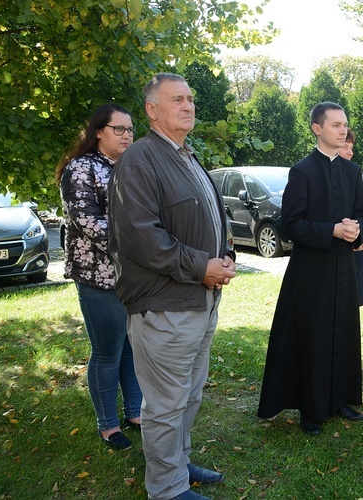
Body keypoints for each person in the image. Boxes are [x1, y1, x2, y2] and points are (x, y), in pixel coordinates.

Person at [108, 73, 236, 500]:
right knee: (164, 405)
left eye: (190, 99)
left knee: (188, 397)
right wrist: (203, 266)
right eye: (177, 99)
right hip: (164, 305)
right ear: (152, 110)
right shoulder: (140, 159)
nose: (188, 106)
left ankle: (177, 465)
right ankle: (166, 489)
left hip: (200, 301)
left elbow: (207, 220)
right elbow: (144, 238)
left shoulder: (186, 156)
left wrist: (226, 254)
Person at [257, 102, 363, 436]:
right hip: (311, 272)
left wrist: (358, 230)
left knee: (343, 331)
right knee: (313, 337)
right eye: (335, 125)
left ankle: (338, 400)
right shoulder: (302, 171)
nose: (342, 130)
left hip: (345, 269)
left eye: (345, 125)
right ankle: (310, 407)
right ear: (317, 129)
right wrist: (331, 230)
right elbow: (291, 225)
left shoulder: (353, 171)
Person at [55, 103, 142, 451]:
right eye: (118, 129)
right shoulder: (80, 169)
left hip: (133, 274)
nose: (126, 135)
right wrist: (141, 243)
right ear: (98, 132)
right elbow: (87, 222)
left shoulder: (132, 167)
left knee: (132, 348)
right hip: (98, 274)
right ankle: (108, 425)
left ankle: (135, 412)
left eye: (130, 130)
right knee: (107, 351)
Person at [340, 128, 363, 306]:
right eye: (345, 146)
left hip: (356, 252)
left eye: (352, 147)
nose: (350, 152)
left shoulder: (354, 173)